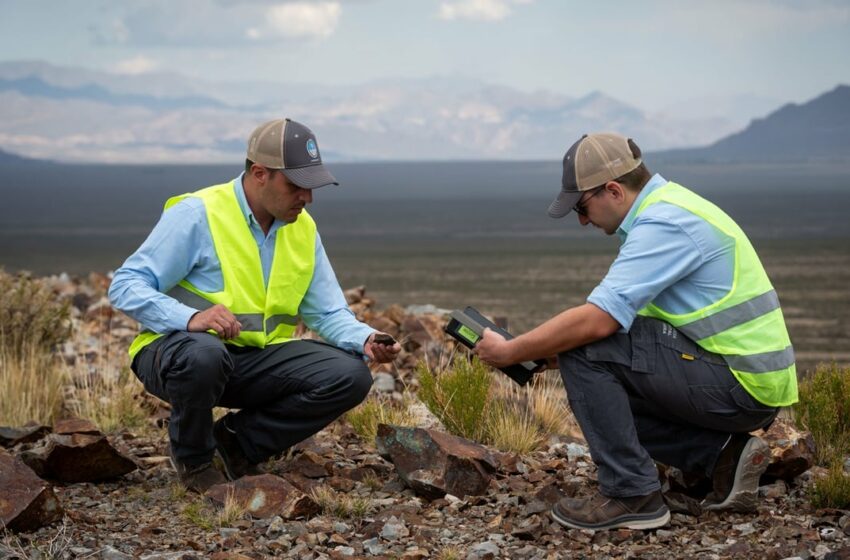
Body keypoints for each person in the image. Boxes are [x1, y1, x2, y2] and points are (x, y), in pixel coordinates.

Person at [473, 132, 797, 531]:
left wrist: (512, 351)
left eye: (581, 206)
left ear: (612, 190)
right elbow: (639, 336)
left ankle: (632, 494)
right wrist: (548, 356)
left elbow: (599, 322)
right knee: (586, 360)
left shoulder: (664, 223)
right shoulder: (673, 206)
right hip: (743, 381)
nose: (581, 220)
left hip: (739, 388)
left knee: (585, 346)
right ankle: (722, 456)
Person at [109, 118, 400, 493]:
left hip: (250, 361)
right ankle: (195, 461)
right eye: (297, 186)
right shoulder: (198, 213)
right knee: (205, 354)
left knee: (350, 375)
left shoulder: (303, 228)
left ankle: (233, 445)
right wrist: (191, 318)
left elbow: (327, 312)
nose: (307, 198)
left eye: (312, 188)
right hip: (177, 356)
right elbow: (125, 285)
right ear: (260, 173)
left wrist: (366, 339)